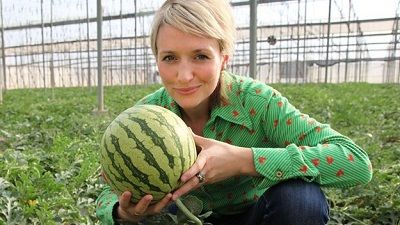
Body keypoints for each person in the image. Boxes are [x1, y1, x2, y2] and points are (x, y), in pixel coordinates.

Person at [95, 0, 373, 224]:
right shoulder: (146, 115)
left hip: (256, 215)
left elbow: (355, 162)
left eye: (200, 56)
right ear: (157, 59)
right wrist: (123, 213)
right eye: (169, 58)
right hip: (180, 218)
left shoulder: (258, 103)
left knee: (301, 199)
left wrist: (245, 160)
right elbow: (107, 193)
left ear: (223, 58)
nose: (183, 75)